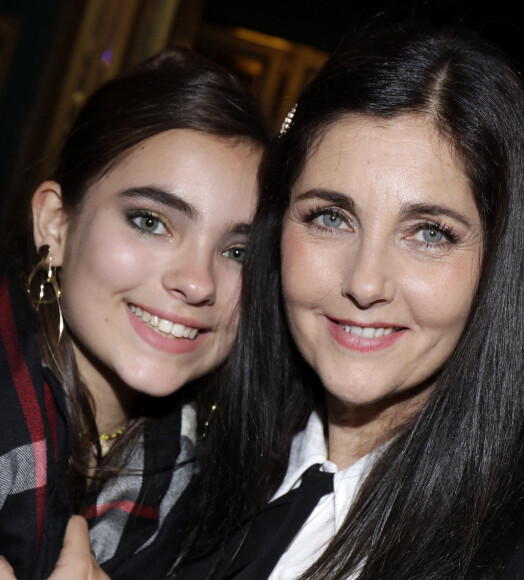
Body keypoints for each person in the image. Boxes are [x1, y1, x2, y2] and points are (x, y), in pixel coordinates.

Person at [174, 20, 524, 579]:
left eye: (430, 233)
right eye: (330, 217)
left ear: (500, 267)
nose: (365, 283)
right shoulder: (187, 462)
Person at [0, 46, 270, 580]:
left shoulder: (215, 490)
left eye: (238, 252)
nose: (197, 282)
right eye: (150, 221)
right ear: (56, 225)